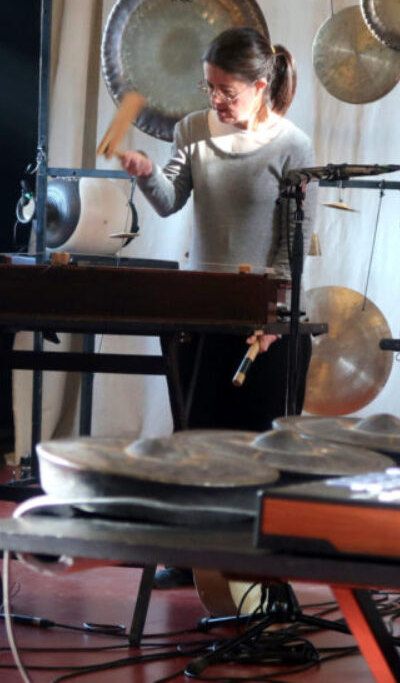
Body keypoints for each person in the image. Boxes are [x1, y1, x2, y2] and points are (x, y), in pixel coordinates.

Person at [117, 26, 316, 433]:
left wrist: (273, 318)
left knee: (262, 447)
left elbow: (290, 246)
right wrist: (148, 172)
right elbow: (169, 201)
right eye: (208, 87)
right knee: (197, 443)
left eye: (227, 91)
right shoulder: (191, 131)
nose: (215, 100)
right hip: (203, 313)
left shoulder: (294, 146)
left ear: (259, 86)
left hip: (263, 322)